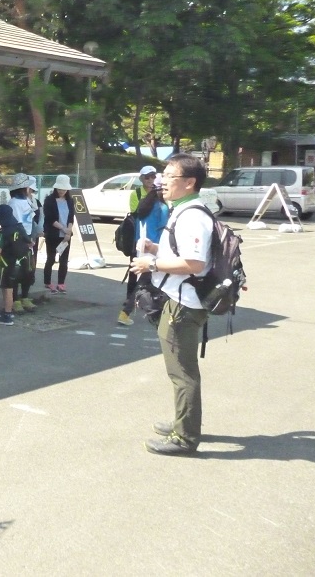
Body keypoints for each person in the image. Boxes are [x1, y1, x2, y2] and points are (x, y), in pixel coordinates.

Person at [131, 153, 213, 456]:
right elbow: (182, 251)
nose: (162, 181)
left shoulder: (192, 214)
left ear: (189, 182)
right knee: (181, 371)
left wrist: (151, 264)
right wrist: (155, 248)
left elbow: (193, 262)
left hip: (184, 303)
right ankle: (184, 423)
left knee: (182, 373)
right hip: (182, 299)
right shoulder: (185, 209)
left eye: (170, 176)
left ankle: (185, 437)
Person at [118, 166, 168, 326]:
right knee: (147, 281)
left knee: (146, 280)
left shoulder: (144, 206)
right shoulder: (162, 207)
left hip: (141, 246)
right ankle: (127, 312)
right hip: (155, 248)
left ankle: (130, 311)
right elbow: (164, 228)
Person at [0, 204, 32, 326]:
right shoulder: (19, 227)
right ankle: (6, 310)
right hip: (22, 263)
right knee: (10, 287)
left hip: (7, 264)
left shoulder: (3, 233)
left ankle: (7, 315)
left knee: (7, 288)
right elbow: (30, 242)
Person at [6, 173, 40, 312]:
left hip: (28, 241)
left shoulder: (26, 201)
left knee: (28, 270)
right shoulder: (13, 203)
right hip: (17, 241)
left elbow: (31, 220)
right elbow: (18, 224)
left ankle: (25, 296)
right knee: (16, 271)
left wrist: (32, 237)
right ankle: (15, 300)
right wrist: (27, 239)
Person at [42, 174, 75, 294]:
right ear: (56, 188)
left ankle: (61, 283)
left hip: (65, 235)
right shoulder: (49, 200)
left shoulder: (70, 201)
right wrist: (64, 229)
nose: (62, 191)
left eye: (64, 189)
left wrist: (69, 232)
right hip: (53, 234)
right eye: (60, 189)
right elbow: (50, 219)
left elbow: (71, 217)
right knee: (51, 258)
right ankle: (48, 282)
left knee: (64, 260)